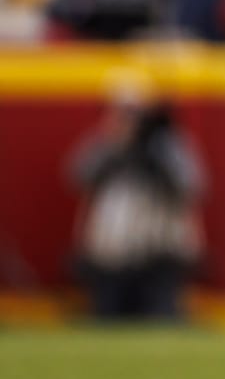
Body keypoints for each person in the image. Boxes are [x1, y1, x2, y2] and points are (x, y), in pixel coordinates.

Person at [66, 87, 207, 320]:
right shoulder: (107, 144)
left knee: (161, 321)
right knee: (105, 321)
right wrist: (116, 145)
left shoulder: (169, 146)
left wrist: (158, 151)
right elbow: (77, 175)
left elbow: (193, 185)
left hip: (161, 253)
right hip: (111, 255)